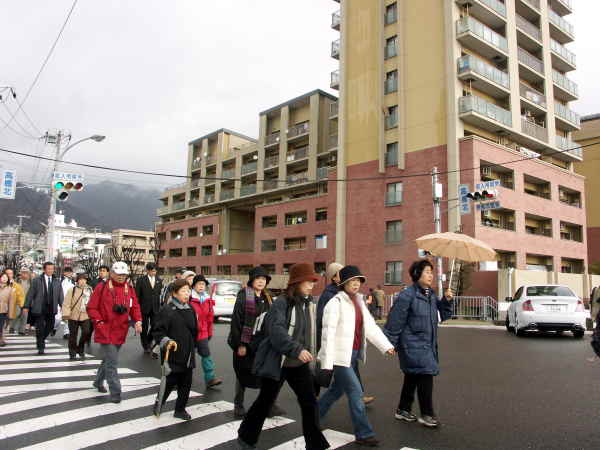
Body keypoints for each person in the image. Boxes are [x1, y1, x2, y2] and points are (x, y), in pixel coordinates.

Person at [238, 263, 330, 450]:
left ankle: (315, 445)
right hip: (278, 361)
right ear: (297, 282)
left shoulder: (307, 304)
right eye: (308, 281)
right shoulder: (281, 303)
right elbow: (276, 331)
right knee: (265, 401)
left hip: (297, 364)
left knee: (309, 402)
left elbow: (309, 333)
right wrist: (296, 349)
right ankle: (246, 436)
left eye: (313, 281)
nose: (312, 285)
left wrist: (317, 352)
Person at [318, 265, 395, 447]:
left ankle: (313, 417)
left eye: (358, 281)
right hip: (339, 356)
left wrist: (386, 346)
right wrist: (326, 363)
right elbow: (328, 334)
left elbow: (371, 327)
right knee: (356, 392)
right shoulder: (335, 303)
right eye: (352, 281)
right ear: (343, 283)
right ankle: (364, 433)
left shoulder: (359, 302)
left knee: (336, 390)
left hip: (352, 355)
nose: (356, 284)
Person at [383, 259, 454, 428]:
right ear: (417, 274)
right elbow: (395, 321)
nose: (431, 275)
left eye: (431, 272)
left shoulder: (431, 295)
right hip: (412, 344)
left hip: (426, 343)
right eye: (427, 272)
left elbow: (441, 316)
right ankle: (427, 414)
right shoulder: (407, 295)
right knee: (425, 374)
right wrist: (389, 344)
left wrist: (446, 301)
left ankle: (403, 409)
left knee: (413, 375)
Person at [316, 262, 374, 405]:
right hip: (339, 345)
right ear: (334, 277)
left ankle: (357, 395)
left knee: (342, 383)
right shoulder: (330, 295)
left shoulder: (349, 294)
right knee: (339, 377)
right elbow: (323, 321)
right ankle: (358, 398)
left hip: (351, 343)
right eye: (340, 273)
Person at [228, 266, 283, 419]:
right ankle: (238, 404)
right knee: (243, 373)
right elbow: (236, 322)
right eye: (258, 278)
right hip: (246, 342)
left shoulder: (268, 297)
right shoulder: (244, 296)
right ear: (252, 280)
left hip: (262, 343)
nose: (261, 281)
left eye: (264, 279)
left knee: (267, 374)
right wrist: (240, 345)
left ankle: (269, 405)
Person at [86, 262, 142, 403]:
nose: (121, 277)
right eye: (118, 274)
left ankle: (98, 382)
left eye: (124, 275)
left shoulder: (129, 288)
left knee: (108, 359)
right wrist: (99, 322)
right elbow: (91, 307)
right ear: (111, 273)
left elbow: (135, 306)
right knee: (112, 361)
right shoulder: (101, 287)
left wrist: (138, 321)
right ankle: (116, 392)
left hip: (121, 330)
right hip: (105, 330)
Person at [152, 279, 197, 420]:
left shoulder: (191, 309)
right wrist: (167, 341)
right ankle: (159, 403)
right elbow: (158, 331)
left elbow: (194, 330)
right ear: (175, 293)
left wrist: (194, 346)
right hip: (172, 354)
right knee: (170, 382)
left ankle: (180, 409)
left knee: (186, 383)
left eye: (188, 291)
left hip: (188, 354)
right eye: (183, 291)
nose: (187, 294)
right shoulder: (167, 310)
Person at [23, 262, 65, 355]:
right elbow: (30, 294)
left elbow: (60, 295)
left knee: (50, 326)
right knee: (40, 328)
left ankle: (40, 339)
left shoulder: (57, 281)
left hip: (52, 307)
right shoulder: (37, 280)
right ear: (44, 269)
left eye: (52, 269)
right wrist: (26, 306)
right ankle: (41, 347)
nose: (50, 270)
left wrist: (63, 306)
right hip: (39, 307)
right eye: (48, 268)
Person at [189, 274, 222, 389]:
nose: (201, 286)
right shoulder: (189, 298)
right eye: (199, 284)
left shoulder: (207, 300)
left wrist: (209, 332)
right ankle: (180, 379)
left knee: (206, 354)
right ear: (194, 286)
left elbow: (210, 318)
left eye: (203, 284)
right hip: (189, 333)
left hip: (202, 332)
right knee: (187, 356)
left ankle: (210, 379)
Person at [62, 273, 93, 360]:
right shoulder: (72, 290)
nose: (82, 281)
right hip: (73, 316)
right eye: (80, 279)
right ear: (77, 281)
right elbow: (66, 303)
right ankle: (72, 352)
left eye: (84, 279)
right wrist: (66, 314)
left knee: (86, 332)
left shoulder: (90, 290)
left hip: (85, 315)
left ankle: (80, 348)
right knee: (73, 335)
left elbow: (93, 302)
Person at [135, 263, 164, 354]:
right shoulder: (141, 280)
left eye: (155, 271)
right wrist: (137, 308)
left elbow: (159, 294)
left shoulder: (159, 280)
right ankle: (145, 346)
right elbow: (137, 295)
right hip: (143, 307)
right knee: (144, 327)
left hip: (155, 307)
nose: (154, 272)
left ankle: (148, 339)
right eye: (152, 271)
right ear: (147, 270)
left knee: (155, 326)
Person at [5, 268, 24, 334]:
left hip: (13, 305)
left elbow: (20, 296)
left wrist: (21, 305)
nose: (9, 275)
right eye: (7, 274)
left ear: (12, 275)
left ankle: (11, 326)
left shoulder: (16, 286)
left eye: (10, 273)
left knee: (18, 312)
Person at [58, 267, 75, 340]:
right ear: (64, 273)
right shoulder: (60, 281)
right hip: (61, 301)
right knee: (58, 318)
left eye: (70, 272)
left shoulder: (73, 281)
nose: (69, 274)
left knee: (67, 318)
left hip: (69, 302)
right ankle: (54, 328)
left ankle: (66, 333)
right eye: (67, 272)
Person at [13, 268, 31, 335]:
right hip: (17, 301)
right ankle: (12, 327)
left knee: (24, 316)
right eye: (23, 272)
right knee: (17, 314)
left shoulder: (30, 282)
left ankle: (22, 330)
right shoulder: (17, 281)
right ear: (21, 273)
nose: (25, 274)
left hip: (26, 301)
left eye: (26, 273)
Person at [0, 271, 16, 346]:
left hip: (3, 310)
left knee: (1, 326)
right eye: (3, 277)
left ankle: (1, 340)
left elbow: (11, 303)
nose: (4, 278)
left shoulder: (10, 289)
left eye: (6, 277)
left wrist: (10, 314)